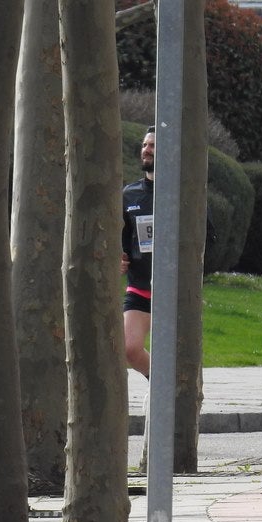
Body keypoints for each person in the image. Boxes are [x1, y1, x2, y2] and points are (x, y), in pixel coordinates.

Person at [120, 126, 157, 378]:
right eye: (145, 145)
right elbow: (121, 240)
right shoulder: (129, 194)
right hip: (139, 286)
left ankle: (177, 396)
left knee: (178, 354)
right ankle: (162, 387)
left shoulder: (184, 191)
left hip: (175, 291)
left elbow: (209, 237)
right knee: (129, 349)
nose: (146, 150)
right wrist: (119, 258)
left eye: (153, 145)